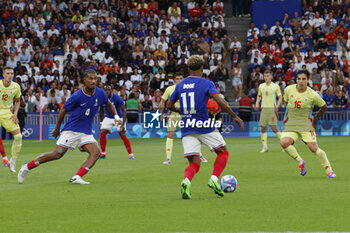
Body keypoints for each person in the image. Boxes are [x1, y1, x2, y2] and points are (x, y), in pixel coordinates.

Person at [18, 70, 121, 184]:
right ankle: (27, 166)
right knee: (57, 154)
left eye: (95, 78)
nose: (93, 81)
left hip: (86, 131)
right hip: (72, 129)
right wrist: (57, 129)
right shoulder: (77, 96)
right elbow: (63, 110)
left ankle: (76, 177)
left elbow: (109, 104)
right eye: (90, 78)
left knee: (96, 153)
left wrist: (116, 116)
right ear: (84, 80)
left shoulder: (100, 93)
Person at [167, 55, 244, 199]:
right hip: (203, 125)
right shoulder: (206, 83)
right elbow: (221, 102)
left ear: (189, 69)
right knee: (223, 152)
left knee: (194, 162)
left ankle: (187, 181)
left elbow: (169, 105)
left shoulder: (181, 85)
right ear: (202, 68)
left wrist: (182, 111)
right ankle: (214, 179)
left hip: (187, 127)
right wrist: (234, 116)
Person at [280, 70, 336, 178]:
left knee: (314, 148)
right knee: (284, 142)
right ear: (296, 80)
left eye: (303, 79)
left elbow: (324, 107)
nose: (301, 81)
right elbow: (287, 103)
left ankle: (329, 170)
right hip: (292, 124)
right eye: (299, 79)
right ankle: (300, 161)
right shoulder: (288, 90)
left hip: (305, 124)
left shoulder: (313, 95)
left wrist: (315, 119)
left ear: (308, 80)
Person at [160, 72, 207, 164]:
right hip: (173, 115)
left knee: (192, 135)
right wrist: (161, 114)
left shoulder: (188, 88)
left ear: (184, 79)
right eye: (177, 79)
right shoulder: (169, 89)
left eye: (181, 78)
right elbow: (162, 102)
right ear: (174, 80)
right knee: (170, 135)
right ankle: (168, 158)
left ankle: (199, 155)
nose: (179, 80)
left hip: (186, 115)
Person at [99, 85, 134, 159]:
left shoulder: (117, 98)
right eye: (105, 90)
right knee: (103, 133)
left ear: (111, 90)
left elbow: (124, 110)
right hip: (108, 117)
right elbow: (101, 110)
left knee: (122, 133)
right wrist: (101, 122)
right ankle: (103, 153)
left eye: (108, 90)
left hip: (118, 117)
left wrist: (123, 124)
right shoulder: (102, 98)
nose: (107, 91)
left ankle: (131, 154)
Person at [0, 67, 23, 172]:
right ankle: (4, 158)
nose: (10, 75)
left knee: (18, 137)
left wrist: (15, 113)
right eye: (7, 73)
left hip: (7, 113)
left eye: (12, 73)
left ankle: (12, 162)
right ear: (3, 74)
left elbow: (18, 101)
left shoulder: (16, 87)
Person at [254, 70, 282, 153]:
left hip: (272, 109)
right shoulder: (261, 86)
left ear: (271, 77)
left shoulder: (275, 86)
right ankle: (265, 147)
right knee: (263, 128)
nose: (266, 78)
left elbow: (280, 97)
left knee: (274, 128)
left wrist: (277, 106)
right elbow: (259, 96)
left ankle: (285, 144)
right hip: (264, 110)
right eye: (265, 76)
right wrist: (257, 103)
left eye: (267, 76)